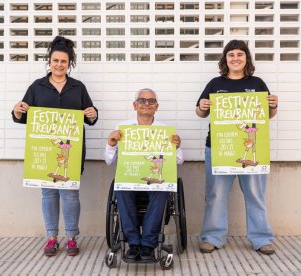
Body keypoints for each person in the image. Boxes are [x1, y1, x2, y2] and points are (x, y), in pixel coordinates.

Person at [12, 36, 98, 257]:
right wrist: (18, 110)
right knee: (48, 195)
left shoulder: (78, 87)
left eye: (64, 61)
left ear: (70, 63)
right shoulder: (37, 87)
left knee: (70, 196)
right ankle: (51, 237)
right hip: (44, 152)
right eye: (56, 60)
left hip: (71, 152)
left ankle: (71, 238)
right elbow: (24, 117)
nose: (59, 64)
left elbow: (90, 116)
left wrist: (93, 113)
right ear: (49, 61)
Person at [195, 40, 278, 255]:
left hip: (252, 149)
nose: (235, 58)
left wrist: (274, 105)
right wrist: (202, 106)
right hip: (218, 148)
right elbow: (200, 112)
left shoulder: (258, 83)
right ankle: (212, 237)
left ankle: (261, 238)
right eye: (231, 55)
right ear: (225, 59)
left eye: (240, 54)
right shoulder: (215, 83)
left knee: (255, 194)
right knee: (216, 194)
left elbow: (268, 115)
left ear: (246, 59)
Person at [105, 88, 184, 262]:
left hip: (154, 181)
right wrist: (111, 145)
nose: (146, 104)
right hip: (130, 178)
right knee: (121, 189)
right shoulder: (122, 128)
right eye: (142, 100)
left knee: (162, 189)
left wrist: (176, 147)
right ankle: (133, 243)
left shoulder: (166, 130)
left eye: (151, 101)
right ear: (135, 105)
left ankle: (148, 244)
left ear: (157, 106)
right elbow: (109, 161)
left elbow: (179, 160)